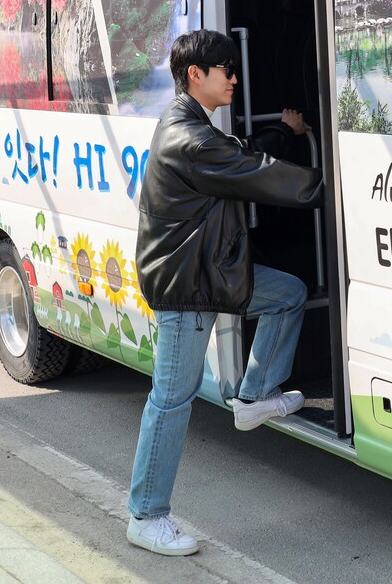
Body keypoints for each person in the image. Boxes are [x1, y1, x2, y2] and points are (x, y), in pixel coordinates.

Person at [126, 29, 323, 557]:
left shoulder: (194, 127)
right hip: (189, 285)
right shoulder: (188, 137)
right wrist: (331, 184)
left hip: (214, 271)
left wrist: (283, 134)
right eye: (226, 70)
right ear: (196, 75)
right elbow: (250, 169)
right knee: (170, 402)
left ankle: (252, 396)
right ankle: (146, 516)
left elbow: (243, 154)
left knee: (288, 294)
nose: (234, 79)